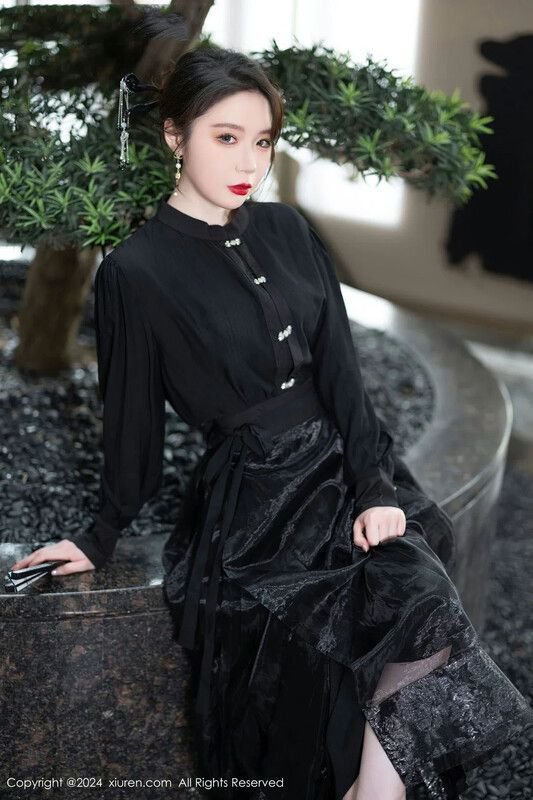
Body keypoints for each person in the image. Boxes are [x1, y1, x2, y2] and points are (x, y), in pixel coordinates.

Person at [12, 45, 532, 800]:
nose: (247, 161)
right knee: (410, 604)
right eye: (225, 137)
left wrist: (374, 485)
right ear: (174, 135)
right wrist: (99, 535)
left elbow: (342, 373)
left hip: (343, 460)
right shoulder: (135, 271)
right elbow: (132, 426)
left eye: (262, 141)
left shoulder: (288, 228)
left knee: (416, 593)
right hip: (261, 498)